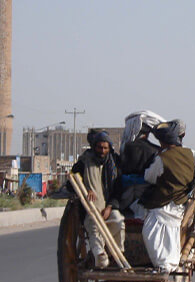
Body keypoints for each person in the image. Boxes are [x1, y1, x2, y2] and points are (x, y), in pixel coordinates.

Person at [141, 120, 195, 273]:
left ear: (161, 142)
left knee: (149, 230)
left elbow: (149, 177)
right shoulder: (191, 153)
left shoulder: (161, 158)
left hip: (162, 204)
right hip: (182, 204)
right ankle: (170, 262)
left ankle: (165, 263)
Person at [71, 130, 125, 268]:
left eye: (105, 148)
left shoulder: (114, 163)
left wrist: (110, 207)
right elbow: (71, 181)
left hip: (109, 206)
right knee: (94, 226)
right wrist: (85, 188)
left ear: (109, 148)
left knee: (118, 221)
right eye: (99, 147)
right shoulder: (84, 162)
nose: (102, 151)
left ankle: (116, 254)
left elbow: (118, 189)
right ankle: (100, 256)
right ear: (94, 147)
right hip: (93, 209)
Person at [119, 111, 165, 212]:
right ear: (148, 133)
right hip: (145, 194)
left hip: (125, 194)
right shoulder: (156, 150)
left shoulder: (125, 148)